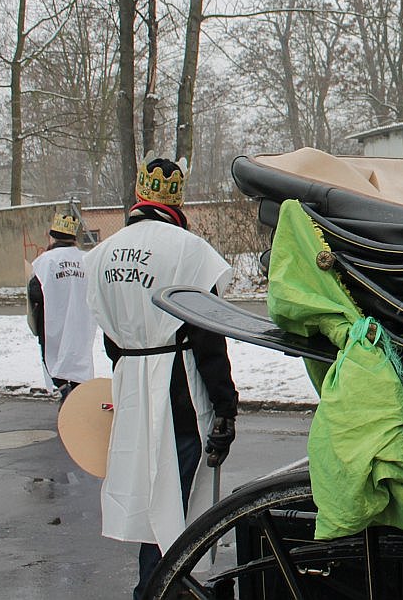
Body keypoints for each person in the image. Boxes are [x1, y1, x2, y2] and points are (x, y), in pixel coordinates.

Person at [83, 156, 238, 599]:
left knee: (150, 494)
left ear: (138, 196)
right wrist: (225, 403)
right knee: (174, 499)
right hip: (179, 386)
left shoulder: (102, 253)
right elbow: (208, 332)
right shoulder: (187, 251)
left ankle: (156, 584)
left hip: (132, 381)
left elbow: (110, 336)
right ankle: (159, 588)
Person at [27, 212, 96, 402]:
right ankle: (78, 391)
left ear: (53, 236)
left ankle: (64, 389)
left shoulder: (45, 261)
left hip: (52, 319)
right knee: (78, 353)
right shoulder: (86, 259)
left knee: (53, 354)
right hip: (81, 318)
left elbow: (35, 292)